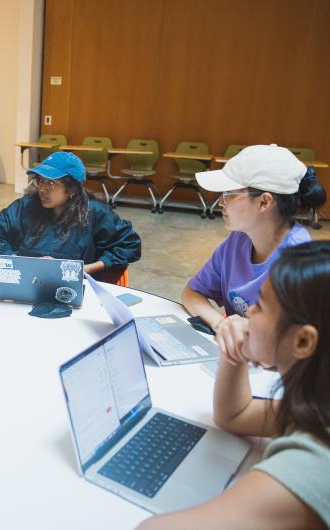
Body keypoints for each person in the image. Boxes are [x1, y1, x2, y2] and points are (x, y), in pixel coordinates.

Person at [138, 240, 330, 530]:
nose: (247, 313)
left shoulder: (315, 460)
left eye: (261, 307)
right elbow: (235, 415)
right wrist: (234, 351)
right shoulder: (316, 400)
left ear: (303, 341)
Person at [182, 144, 326, 360]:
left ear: (264, 202)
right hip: (238, 359)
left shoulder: (298, 262)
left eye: (229, 194)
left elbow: (293, 350)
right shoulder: (237, 241)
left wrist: (241, 335)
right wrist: (222, 325)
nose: (221, 202)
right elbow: (191, 294)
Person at [0, 151, 141, 277]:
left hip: (72, 291)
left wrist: (88, 269)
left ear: (72, 190)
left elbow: (130, 245)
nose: (42, 188)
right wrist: (19, 261)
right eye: (40, 180)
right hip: (25, 282)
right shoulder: (26, 207)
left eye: (51, 183)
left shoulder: (95, 213)